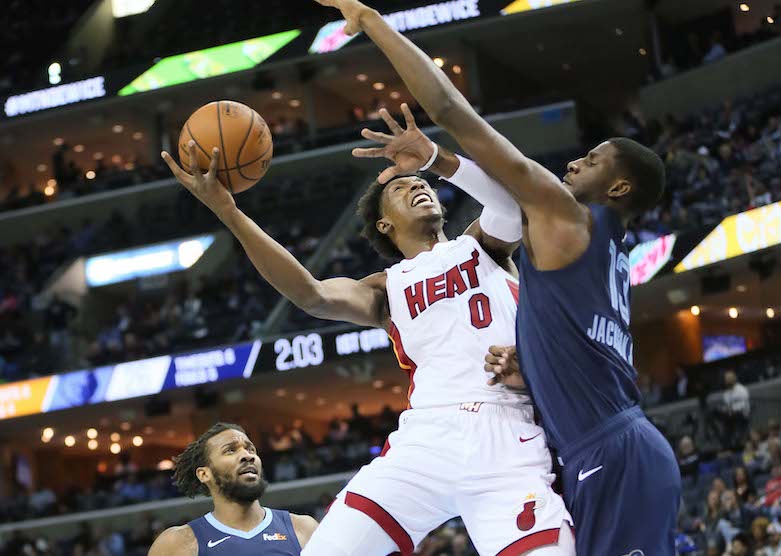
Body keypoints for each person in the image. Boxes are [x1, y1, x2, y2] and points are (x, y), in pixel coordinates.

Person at [313, 0, 681, 553]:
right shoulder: (609, 251)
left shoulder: (566, 217)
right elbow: (577, 347)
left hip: (608, 451)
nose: (574, 162)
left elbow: (448, 106)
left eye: (593, 159)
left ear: (619, 188)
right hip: (609, 444)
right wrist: (529, 365)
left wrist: (370, 22)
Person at [161, 131, 573, 553]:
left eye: (421, 183)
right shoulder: (386, 287)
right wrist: (228, 212)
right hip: (426, 437)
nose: (416, 186)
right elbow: (310, 294)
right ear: (384, 224)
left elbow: (511, 203)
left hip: (507, 430)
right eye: (400, 188)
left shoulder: (482, 246)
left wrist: (435, 157)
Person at [148, 423, 317, 555]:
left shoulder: (303, 529)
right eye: (230, 450)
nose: (247, 455)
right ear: (204, 474)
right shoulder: (177, 544)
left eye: (250, 449)